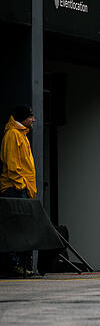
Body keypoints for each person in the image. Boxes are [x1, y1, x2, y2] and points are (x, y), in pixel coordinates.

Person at [0, 104, 37, 275]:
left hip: (22, 189)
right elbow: (13, 165)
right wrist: (21, 185)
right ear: (24, 118)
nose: (34, 120)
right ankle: (14, 265)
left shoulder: (21, 135)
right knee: (14, 229)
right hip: (14, 189)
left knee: (21, 229)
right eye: (31, 117)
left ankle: (21, 265)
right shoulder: (13, 135)